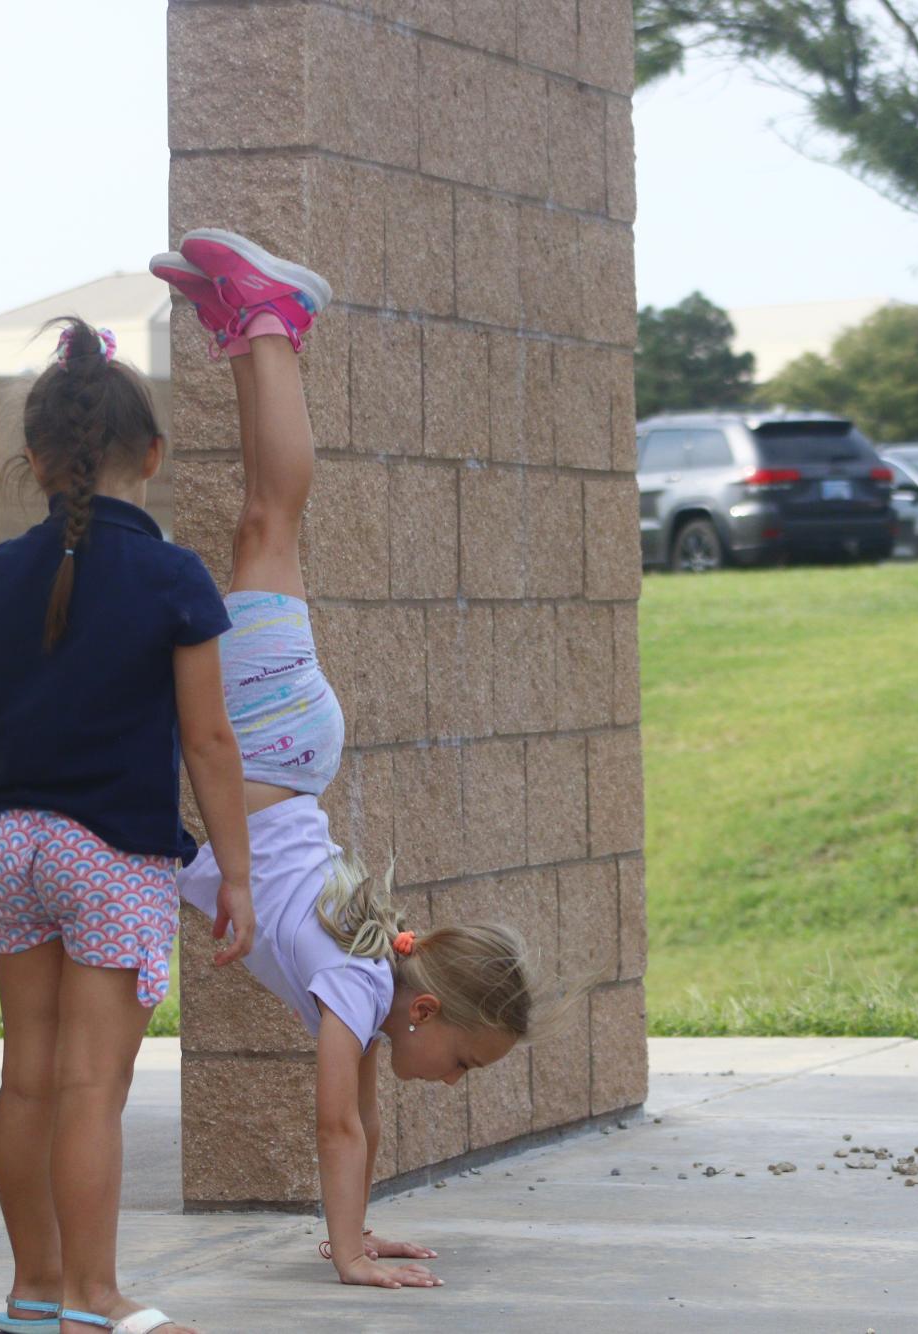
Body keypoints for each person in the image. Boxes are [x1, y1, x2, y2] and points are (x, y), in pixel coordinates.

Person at [153, 230, 557, 1293]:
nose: (452, 1084)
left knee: (261, 523)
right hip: (276, 742)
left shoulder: (373, 978)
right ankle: (273, 320)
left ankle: (251, 329)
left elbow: (359, 1118)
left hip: (284, 754)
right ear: (426, 1011)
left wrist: (361, 1229)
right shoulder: (355, 971)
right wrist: (343, 1256)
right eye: (464, 1063)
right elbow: (335, 1119)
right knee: (268, 523)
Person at [0, 317, 254, 1334]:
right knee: (93, 1081)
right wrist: (239, 876)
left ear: (34, 460)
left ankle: (35, 1286)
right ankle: (96, 1294)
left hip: (21, 846)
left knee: (27, 1076)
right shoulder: (172, 576)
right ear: (154, 456)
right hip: (112, 856)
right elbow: (210, 742)